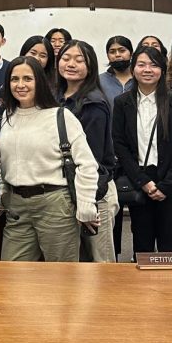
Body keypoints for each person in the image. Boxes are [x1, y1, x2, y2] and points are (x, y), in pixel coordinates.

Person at [0, 56, 99, 262]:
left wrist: (86, 204)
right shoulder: (8, 116)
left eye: (28, 79)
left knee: (61, 277)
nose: (20, 85)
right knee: (11, 277)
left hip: (55, 206)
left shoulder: (60, 116)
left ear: (40, 82)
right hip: (17, 207)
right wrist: (2, 190)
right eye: (14, 79)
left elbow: (87, 164)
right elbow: (3, 160)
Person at [112, 45, 172, 255]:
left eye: (154, 65)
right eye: (141, 64)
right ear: (133, 69)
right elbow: (119, 145)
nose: (147, 70)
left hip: (170, 181)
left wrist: (165, 186)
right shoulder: (122, 103)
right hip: (139, 179)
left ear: (162, 70)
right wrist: (143, 182)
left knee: (170, 243)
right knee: (142, 242)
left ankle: (169, 288)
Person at [57, 39, 118, 262]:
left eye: (79, 60)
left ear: (90, 66)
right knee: (76, 261)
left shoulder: (93, 104)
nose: (71, 64)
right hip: (69, 192)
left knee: (101, 263)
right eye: (66, 58)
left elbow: (92, 160)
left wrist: (86, 202)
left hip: (94, 193)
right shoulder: (56, 99)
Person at [100, 35, 135, 103]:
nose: (117, 55)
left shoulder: (140, 79)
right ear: (107, 56)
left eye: (122, 51)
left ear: (131, 54)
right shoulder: (99, 81)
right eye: (112, 52)